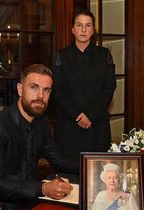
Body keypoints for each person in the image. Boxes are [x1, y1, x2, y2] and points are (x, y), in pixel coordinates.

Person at [0, 64, 79, 210]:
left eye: (46, 90)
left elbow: (58, 161)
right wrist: (43, 188)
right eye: (34, 87)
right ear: (20, 89)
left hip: (30, 199)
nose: (40, 96)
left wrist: (94, 167)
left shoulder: (42, 122)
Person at [51, 8, 116, 163]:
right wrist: (78, 117)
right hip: (69, 126)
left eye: (88, 25)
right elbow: (58, 91)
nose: (83, 29)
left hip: (97, 126)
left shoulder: (104, 54)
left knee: (100, 177)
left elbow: (109, 88)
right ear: (72, 29)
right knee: (71, 179)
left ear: (93, 30)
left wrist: (90, 115)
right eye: (79, 25)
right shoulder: (61, 56)